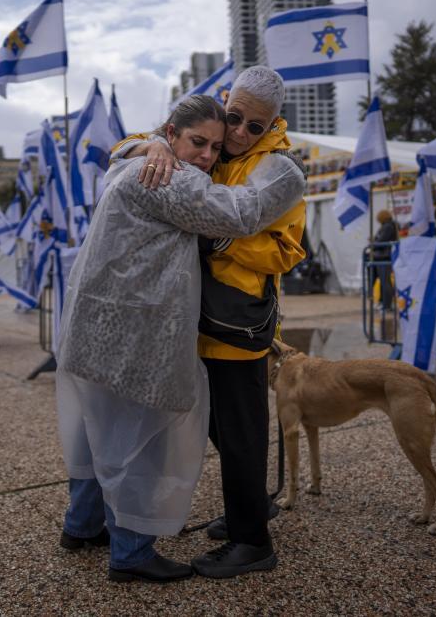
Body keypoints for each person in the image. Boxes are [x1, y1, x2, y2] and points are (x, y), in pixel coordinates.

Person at [57, 95, 305, 584]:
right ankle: (130, 555)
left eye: (215, 147)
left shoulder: (130, 169)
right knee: (136, 440)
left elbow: (120, 152)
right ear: (171, 134)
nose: (208, 155)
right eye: (198, 141)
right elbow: (242, 212)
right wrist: (290, 174)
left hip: (94, 329)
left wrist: (147, 145)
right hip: (131, 338)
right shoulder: (167, 176)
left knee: (96, 430)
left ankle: (82, 526)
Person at [121, 66, 308, 578]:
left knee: (242, 430)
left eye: (255, 125)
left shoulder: (278, 167)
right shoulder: (215, 143)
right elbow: (139, 138)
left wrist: (220, 240)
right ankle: (252, 504)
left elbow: (288, 250)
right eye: (235, 118)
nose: (241, 132)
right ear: (225, 102)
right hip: (196, 315)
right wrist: (153, 148)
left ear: (272, 125)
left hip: (237, 324)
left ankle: (254, 542)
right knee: (216, 426)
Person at [372, 209, 399, 311]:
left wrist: (373, 243)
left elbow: (381, 240)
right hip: (382, 256)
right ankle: (383, 302)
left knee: (386, 282)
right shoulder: (388, 226)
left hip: (384, 256)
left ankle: (387, 304)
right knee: (384, 282)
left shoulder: (388, 226)